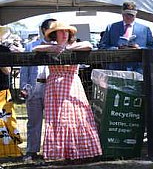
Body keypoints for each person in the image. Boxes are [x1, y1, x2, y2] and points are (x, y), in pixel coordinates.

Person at [33, 21, 102, 161]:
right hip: (54, 87)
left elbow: (88, 45)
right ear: (54, 34)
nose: (64, 34)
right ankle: (59, 152)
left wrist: (68, 47)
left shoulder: (75, 45)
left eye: (66, 32)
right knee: (58, 119)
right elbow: (36, 48)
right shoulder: (50, 47)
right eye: (60, 31)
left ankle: (81, 151)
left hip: (72, 85)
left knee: (78, 116)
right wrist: (54, 48)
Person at [19, 18, 56, 161]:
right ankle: (32, 151)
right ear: (44, 30)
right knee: (34, 121)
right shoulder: (30, 46)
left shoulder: (58, 46)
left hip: (52, 87)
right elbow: (24, 69)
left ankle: (51, 150)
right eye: (51, 29)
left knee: (53, 121)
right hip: (34, 87)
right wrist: (24, 87)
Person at [98, 1, 153, 73]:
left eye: (131, 15)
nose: (129, 17)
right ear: (122, 14)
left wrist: (139, 48)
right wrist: (117, 49)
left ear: (135, 15)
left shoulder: (145, 29)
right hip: (116, 69)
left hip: (138, 69)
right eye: (126, 14)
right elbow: (102, 46)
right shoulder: (111, 27)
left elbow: (152, 48)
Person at [0, 41, 23, 158]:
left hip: (2, 92)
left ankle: (9, 151)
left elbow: (7, 71)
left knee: (6, 122)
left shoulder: (4, 50)